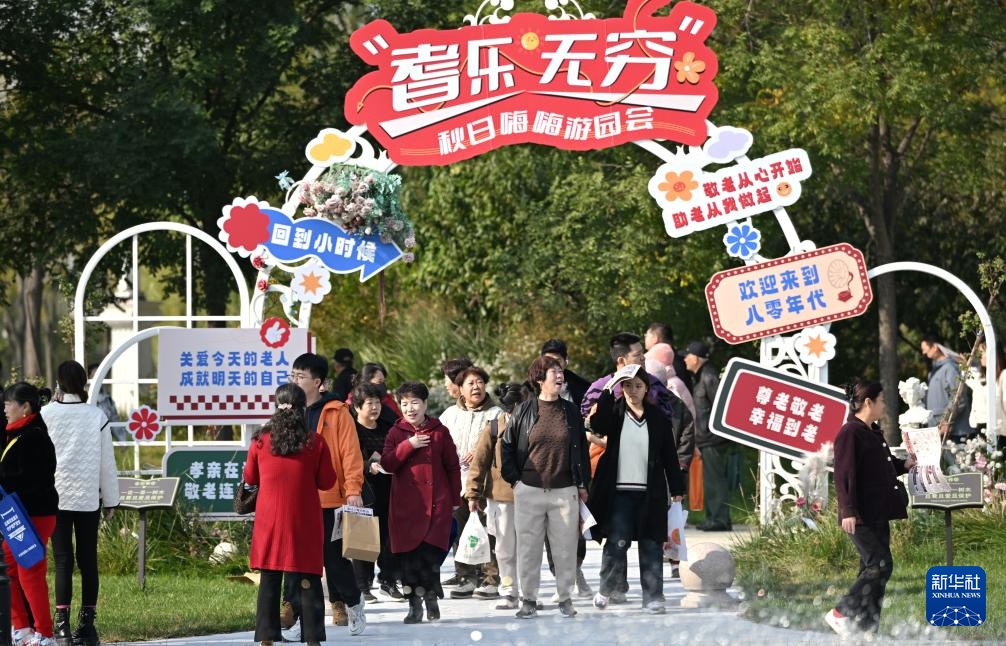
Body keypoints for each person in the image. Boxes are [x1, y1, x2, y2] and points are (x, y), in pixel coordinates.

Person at [245, 384, 357, 645]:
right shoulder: (314, 442)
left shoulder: (260, 440)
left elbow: (250, 477)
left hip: (269, 520)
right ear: (302, 409)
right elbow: (327, 481)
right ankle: (312, 638)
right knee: (308, 577)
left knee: (270, 577)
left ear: (276, 407)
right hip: (304, 519)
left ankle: (266, 637)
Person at [586, 365, 685, 614]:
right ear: (621, 388)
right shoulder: (615, 413)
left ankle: (653, 597)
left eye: (638, 386)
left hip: (650, 494)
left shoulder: (657, 418)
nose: (633, 391)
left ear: (646, 389)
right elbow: (598, 424)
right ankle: (606, 589)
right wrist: (608, 390)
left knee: (651, 545)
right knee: (617, 544)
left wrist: (677, 487)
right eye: (627, 386)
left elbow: (669, 455)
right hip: (619, 494)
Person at [500, 356, 590, 619]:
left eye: (561, 371)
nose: (560, 376)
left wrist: (582, 483)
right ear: (540, 379)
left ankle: (565, 598)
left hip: (564, 491)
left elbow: (582, 452)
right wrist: (515, 481)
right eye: (554, 372)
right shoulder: (523, 410)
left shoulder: (571, 411)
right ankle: (528, 599)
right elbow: (506, 447)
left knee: (565, 549)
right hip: (529, 490)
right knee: (528, 549)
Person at [825, 379, 915, 637]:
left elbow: (881, 466)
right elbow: (844, 475)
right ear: (868, 402)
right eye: (882, 400)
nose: (885, 405)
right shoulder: (850, 433)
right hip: (860, 514)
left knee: (872, 570)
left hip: (878, 512)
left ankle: (866, 628)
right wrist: (848, 510)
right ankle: (841, 612)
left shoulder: (871, 431)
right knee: (880, 565)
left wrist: (904, 465)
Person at [284, 353, 365, 637]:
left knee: (334, 561)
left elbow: (350, 453)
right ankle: (300, 619)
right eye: (293, 375)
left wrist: (353, 489)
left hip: (330, 498)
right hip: (296, 500)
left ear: (318, 382)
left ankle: (354, 603)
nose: (295, 381)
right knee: (298, 563)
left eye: (301, 376)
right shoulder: (288, 410)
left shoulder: (337, 412)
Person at [42, 361, 121, 646]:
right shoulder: (96, 416)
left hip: (56, 496)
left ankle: (61, 626)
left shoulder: (46, 414)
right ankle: (87, 627)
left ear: (59, 382)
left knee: (63, 560)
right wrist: (111, 499)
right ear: (83, 383)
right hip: (88, 497)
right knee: (88, 560)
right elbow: (106, 463)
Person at [381, 381, 462, 624]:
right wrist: (409, 445)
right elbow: (387, 463)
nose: (410, 408)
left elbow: (452, 467)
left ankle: (430, 596)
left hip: (437, 504)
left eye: (415, 402)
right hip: (405, 507)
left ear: (425, 404)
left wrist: (455, 498)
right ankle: (414, 605)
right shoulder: (396, 433)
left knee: (429, 555)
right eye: (404, 403)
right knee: (409, 560)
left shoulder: (439, 431)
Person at [465, 382, 531, 610]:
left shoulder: (535, 425)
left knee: (529, 548)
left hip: (532, 495)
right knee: (505, 549)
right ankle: (509, 590)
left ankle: (528, 593)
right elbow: (479, 462)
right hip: (502, 498)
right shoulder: (494, 427)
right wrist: (473, 494)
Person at [2, 382, 59, 646]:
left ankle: (45, 634)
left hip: (34, 515)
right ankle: (22, 629)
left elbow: (33, 480)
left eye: (8, 404)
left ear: (25, 407)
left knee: (30, 571)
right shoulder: (19, 433)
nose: (4, 409)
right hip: (18, 515)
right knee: (8, 568)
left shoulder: (34, 437)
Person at [439, 365, 502, 599]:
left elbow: (501, 446)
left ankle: (490, 578)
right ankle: (465, 577)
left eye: (480, 382)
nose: (476, 387)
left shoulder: (496, 414)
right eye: (471, 383)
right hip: (456, 484)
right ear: (460, 389)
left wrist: (479, 450)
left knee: (488, 531)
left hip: (486, 484)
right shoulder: (449, 415)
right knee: (461, 531)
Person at [350, 382, 400, 602]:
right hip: (363, 489)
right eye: (369, 403)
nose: (374, 407)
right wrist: (366, 466)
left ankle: (388, 581)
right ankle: (362, 586)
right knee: (363, 538)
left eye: (377, 403)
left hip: (388, 488)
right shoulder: (351, 430)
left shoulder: (388, 427)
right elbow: (346, 459)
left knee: (389, 537)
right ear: (357, 407)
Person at [684, 340, 733, 531]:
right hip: (707, 439)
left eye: (688, 356)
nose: (685, 359)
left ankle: (719, 520)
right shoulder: (701, 376)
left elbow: (722, 407)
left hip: (714, 439)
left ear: (696, 358)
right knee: (710, 480)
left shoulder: (709, 376)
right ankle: (714, 518)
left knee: (715, 480)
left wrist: (716, 434)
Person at [921, 335, 974, 441]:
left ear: (935, 347)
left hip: (955, 433)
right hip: (938, 430)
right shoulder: (933, 372)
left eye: (925, 348)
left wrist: (946, 421)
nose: (923, 352)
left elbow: (959, 398)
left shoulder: (950, 368)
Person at [540, 339, 590, 407]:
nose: (553, 365)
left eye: (558, 361)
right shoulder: (529, 390)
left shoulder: (583, 389)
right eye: (548, 361)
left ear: (565, 361)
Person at [645, 322, 692, 392]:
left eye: (646, 335)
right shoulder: (680, 359)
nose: (645, 339)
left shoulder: (659, 362)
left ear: (655, 338)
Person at [88, 363, 125, 441]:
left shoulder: (108, 400)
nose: (98, 380)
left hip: (104, 442)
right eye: (94, 377)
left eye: (100, 376)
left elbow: (115, 421)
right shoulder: (84, 399)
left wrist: (122, 441)